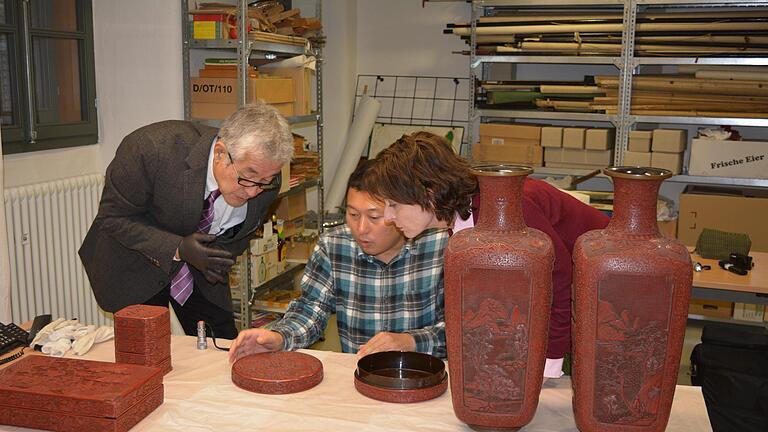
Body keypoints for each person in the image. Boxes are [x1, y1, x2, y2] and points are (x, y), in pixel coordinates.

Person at [363, 131, 610, 378]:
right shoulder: (464, 223)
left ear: (428, 192)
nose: (388, 217)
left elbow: (560, 282)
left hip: (606, 306)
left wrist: (550, 362)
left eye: (394, 204)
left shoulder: (506, 209)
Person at [79, 102, 293, 339]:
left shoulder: (265, 180)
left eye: (265, 180)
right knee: (148, 353)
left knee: (220, 348)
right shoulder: (150, 149)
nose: (254, 192)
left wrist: (217, 257)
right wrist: (177, 248)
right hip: (136, 263)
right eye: (247, 177)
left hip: (200, 271)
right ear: (221, 153)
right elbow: (113, 217)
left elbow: (240, 234)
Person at [228, 160, 448, 362]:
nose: (361, 229)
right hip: (360, 378)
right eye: (353, 215)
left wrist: (409, 342)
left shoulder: (440, 247)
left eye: (374, 217)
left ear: (396, 212)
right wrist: (278, 337)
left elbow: (463, 332)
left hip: (424, 376)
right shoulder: (334, 245)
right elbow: (310, 311)